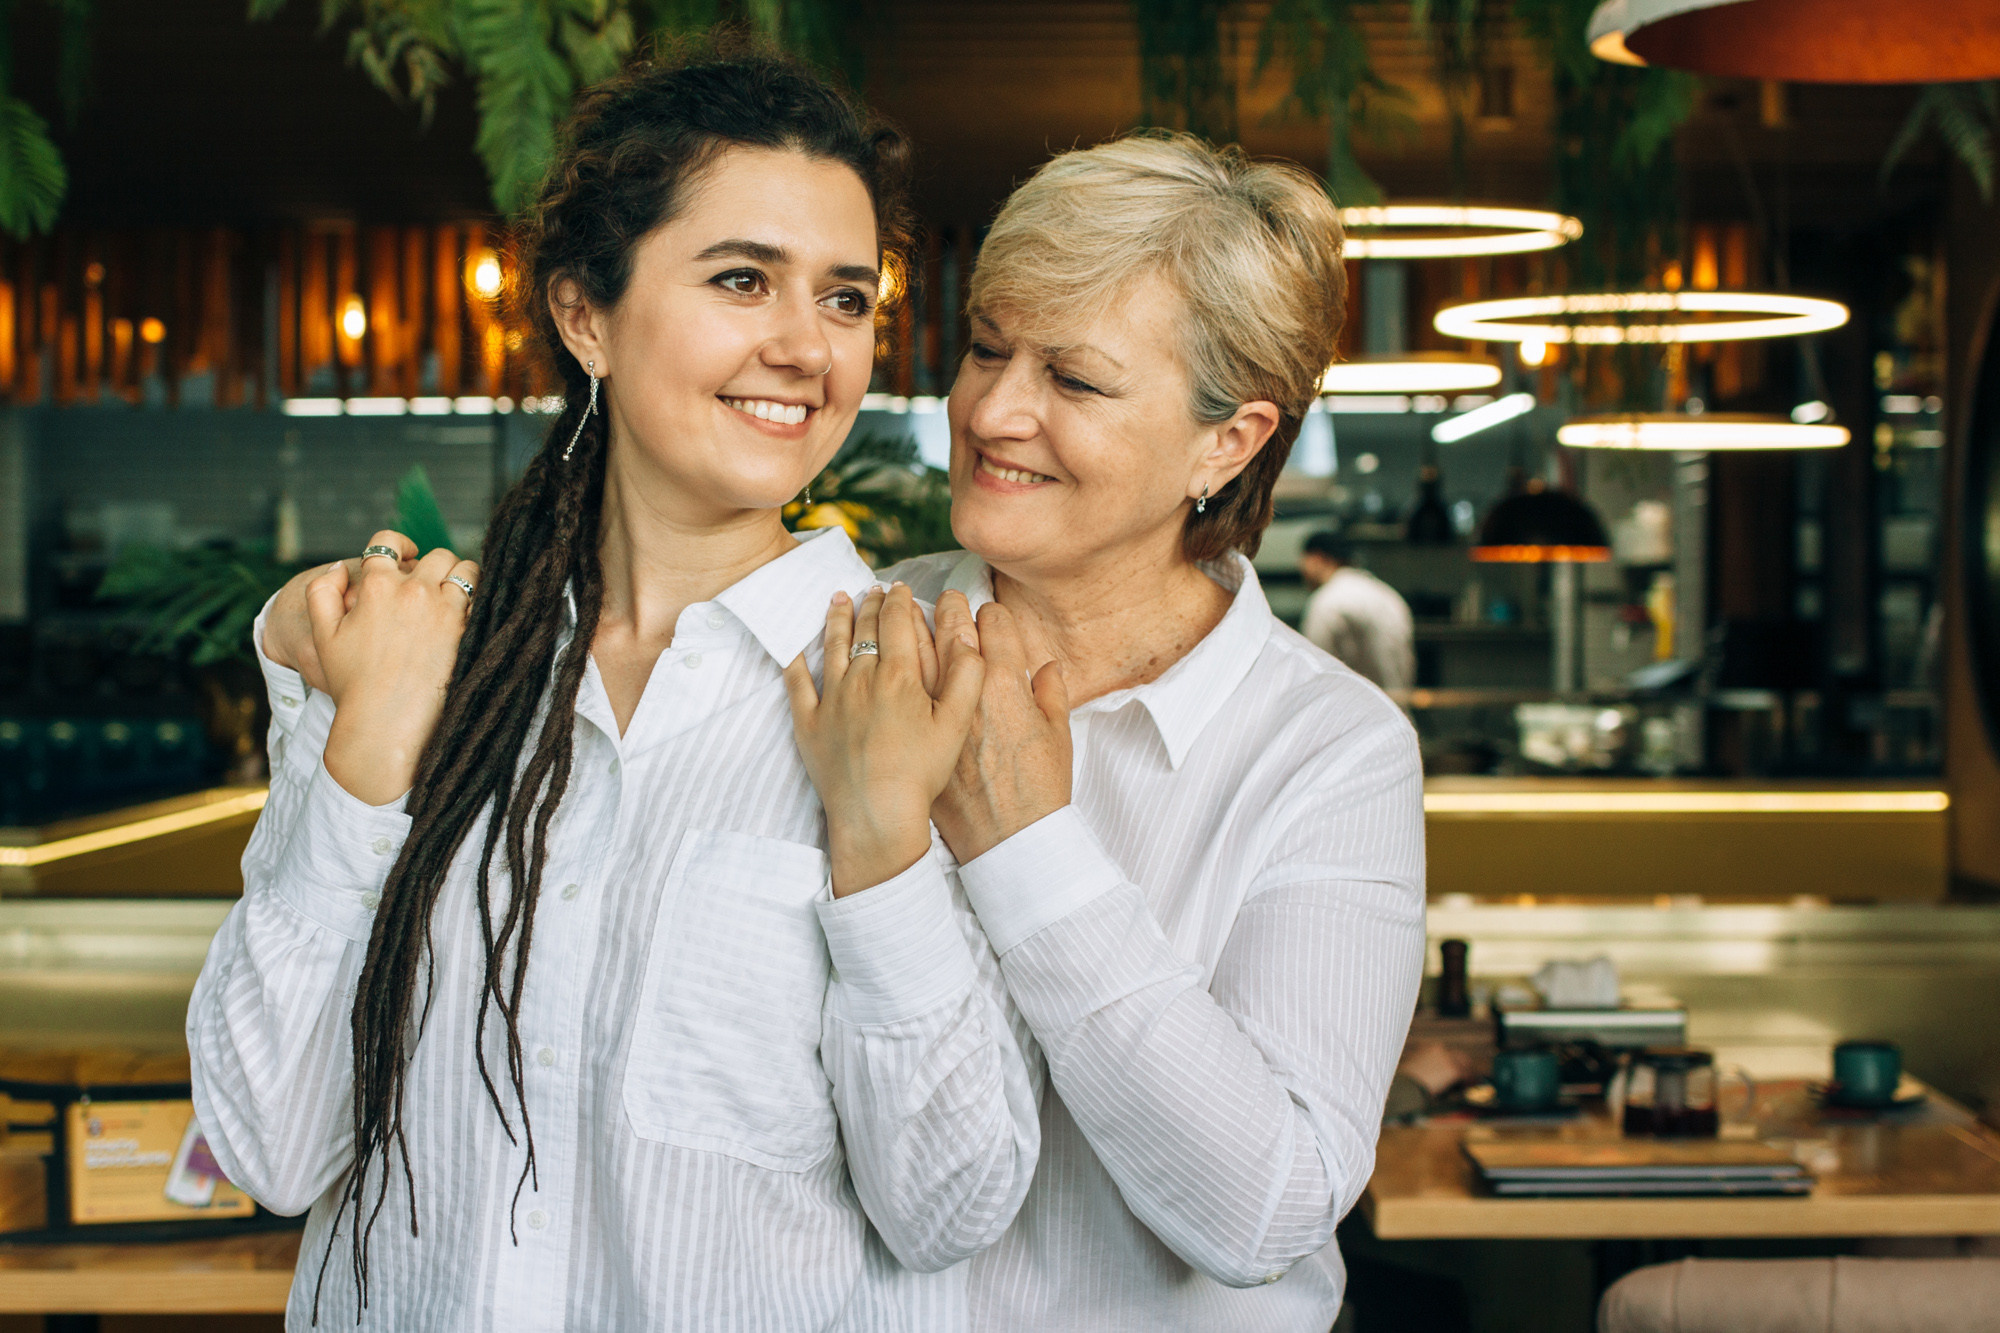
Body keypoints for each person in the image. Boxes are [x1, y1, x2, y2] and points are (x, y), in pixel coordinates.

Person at [187, 48, 1037, 1331]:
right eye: (742, 279)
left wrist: (880, 843)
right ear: (586, 315)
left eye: (848, 298)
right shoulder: (435, 672)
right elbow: (269, 1147)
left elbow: (951, 1205)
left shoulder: (922, 682)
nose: (805, 346)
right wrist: (364, 746)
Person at [862, 132, 1427, 1331]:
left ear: (1227, 441)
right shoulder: (850, 640)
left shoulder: (1329, 749)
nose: (993, 410)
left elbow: (1263, 1210)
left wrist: (1025, 844)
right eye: (984, 350)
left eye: (1074, 380)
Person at [1299, 529, 1416, 692]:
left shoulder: (1326, 601)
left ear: (1318, 558)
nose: (1302, 570)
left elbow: (1314, 671)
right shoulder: (1387, 594)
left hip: (1356, 713)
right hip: (1398, 710)